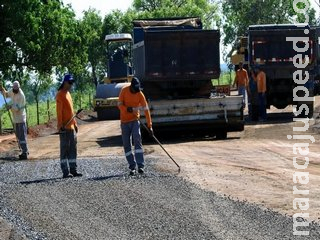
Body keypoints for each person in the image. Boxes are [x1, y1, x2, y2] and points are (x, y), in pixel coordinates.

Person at [118, 77, 153, 175]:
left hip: (134, 120)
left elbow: (146, 110)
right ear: (131, 87)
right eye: (135, 89)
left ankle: (140, 166)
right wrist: (126, 109)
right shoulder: (124, 91)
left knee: (137, 139)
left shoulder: (140, 94)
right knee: (126, 144)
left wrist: (150, 126)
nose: (136, 91)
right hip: (124, 122)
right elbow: (119, 104)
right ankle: (132, 166)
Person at [56, 74, 82, 178]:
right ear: (65, 82)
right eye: (70, 83)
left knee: (73, 149)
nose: (71, 85)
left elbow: (72, 112)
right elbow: (59, 112)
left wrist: (75, 123)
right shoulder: (60, 95)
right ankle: (65, 172)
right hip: (64, 128)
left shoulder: (68, 94)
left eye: (72, 83)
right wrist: (60, 125)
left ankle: (73, 169)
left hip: (71, 127)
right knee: (64, 150)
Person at [0, 81, 29, 160]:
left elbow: (17, 109)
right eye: (13, 89)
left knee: (22, 136)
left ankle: (25, 152)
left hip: (21, 118)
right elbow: (6, 95)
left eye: (16, 89)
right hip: (15, 119)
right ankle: (24, 150)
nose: (14, 90)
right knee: (19, 136)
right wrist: (2, 90)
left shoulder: (21, 96)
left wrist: (10, 107)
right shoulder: (12, 91)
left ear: (18, 88)